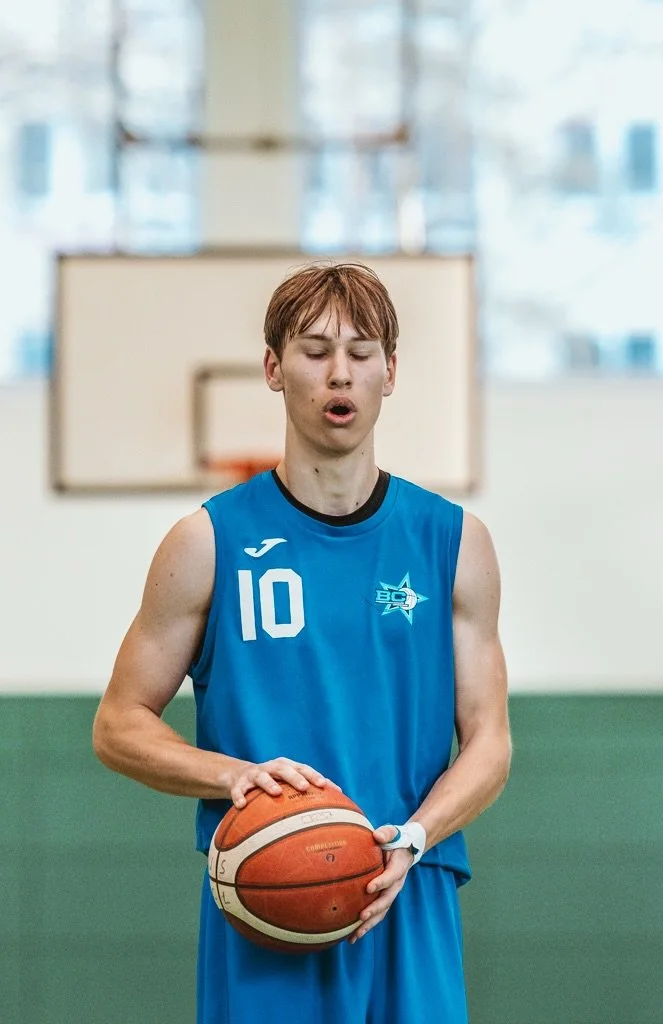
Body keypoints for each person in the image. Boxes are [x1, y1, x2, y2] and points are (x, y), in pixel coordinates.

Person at [93, 262, 511, 1024]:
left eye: (359, 350)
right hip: (266, 902)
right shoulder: (208, 543)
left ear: (390, 371)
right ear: (272, 369)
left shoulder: (453, 543)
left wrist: (416, 837)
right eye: (314, 349)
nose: (338, 371)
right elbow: (118, 726)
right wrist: (233, 778)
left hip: (405, 892)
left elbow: (489, 742)